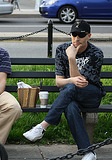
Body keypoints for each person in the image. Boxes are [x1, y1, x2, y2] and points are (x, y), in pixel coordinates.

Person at [23, 20, 105, 160]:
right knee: (71, 106)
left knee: (72, 86)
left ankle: (42, 126)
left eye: (81, 35)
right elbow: (59, 82)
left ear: (89, 36)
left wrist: (72, 58)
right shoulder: (62, 49)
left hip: (91, 95)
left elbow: (80, 83)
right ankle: (88, 152)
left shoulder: (96, 53)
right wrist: (70, 80)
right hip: (70, 95)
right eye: (73, 34)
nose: (76, 38)